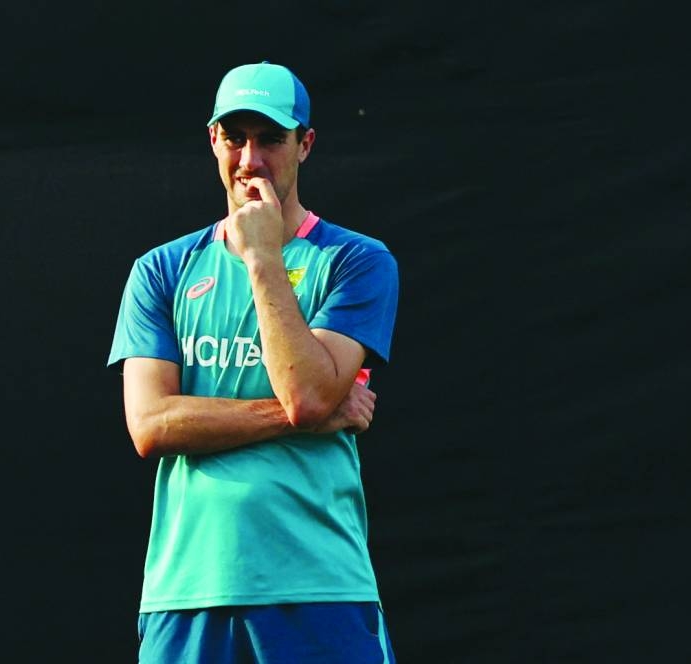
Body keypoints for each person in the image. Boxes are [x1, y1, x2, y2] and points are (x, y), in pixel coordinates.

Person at [107, 60, 400, 663]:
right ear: (214, 140)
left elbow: (310, 393)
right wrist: (298, 416)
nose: (250, 159)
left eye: (270, 139)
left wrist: (263, 256)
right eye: (235, 137)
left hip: (319, 585)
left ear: (305, 145)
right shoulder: (160, 270)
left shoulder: (356, 261)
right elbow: (152, 425)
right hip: (187, 591)